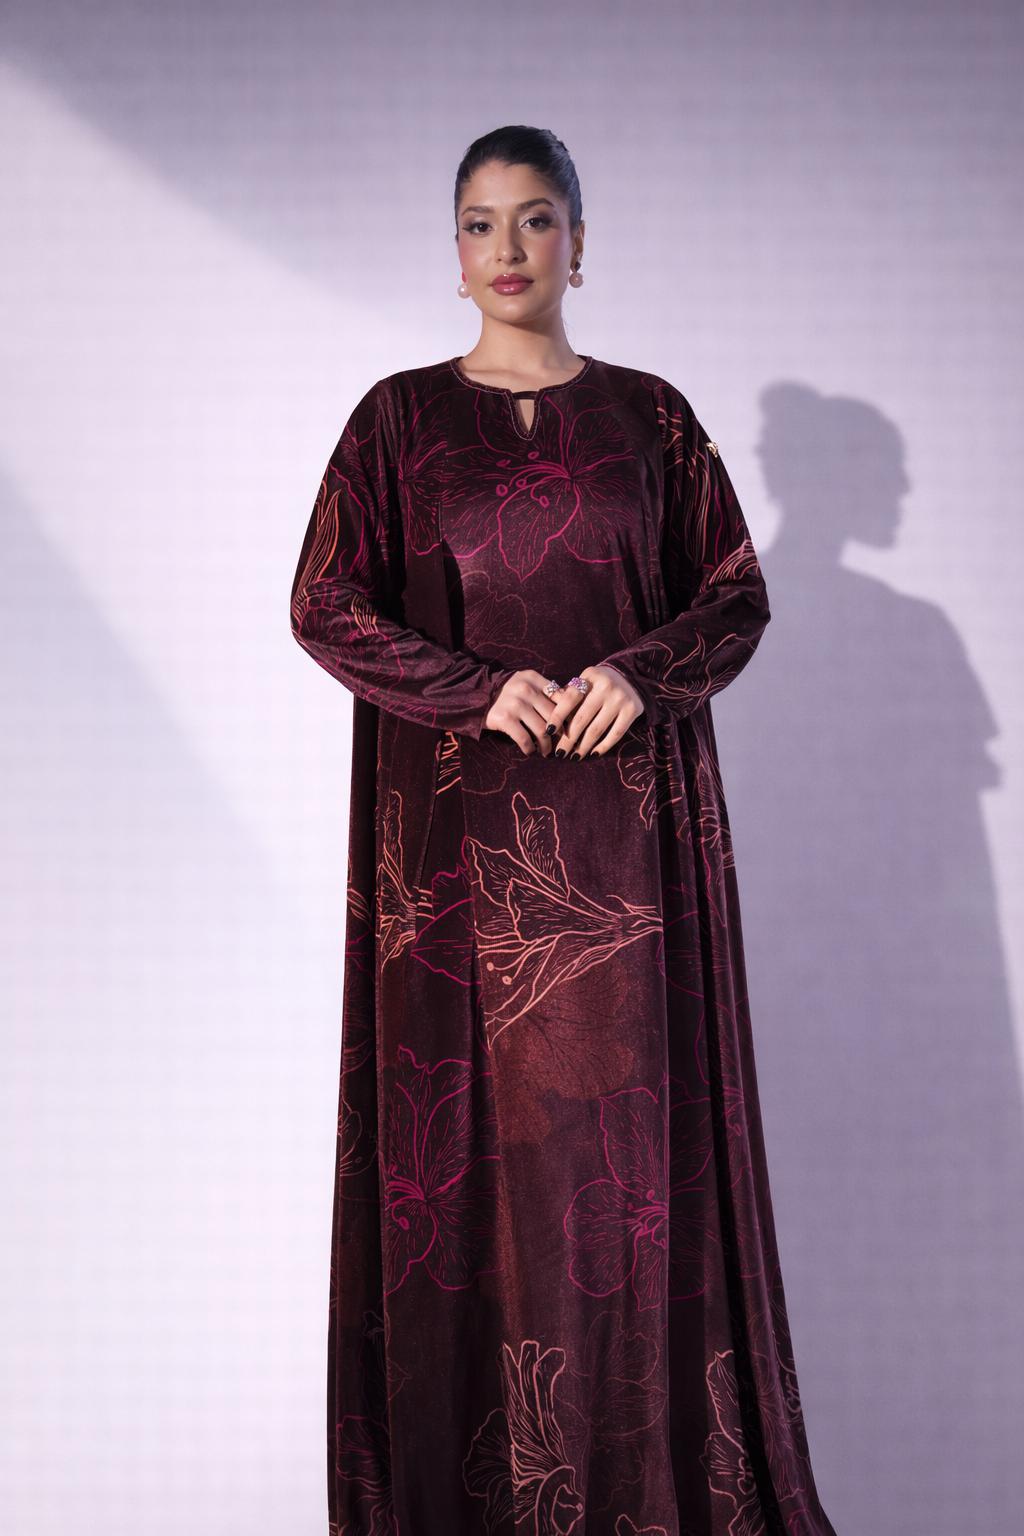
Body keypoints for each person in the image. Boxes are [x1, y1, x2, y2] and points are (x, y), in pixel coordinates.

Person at [290, 123, 838, 1536]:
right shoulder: (397, 422)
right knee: (469, 1157)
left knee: (623, 1167)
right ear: (454, 249)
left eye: (536, 220)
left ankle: (639, 1498)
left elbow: (734, 594)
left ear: (580, 244)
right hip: (456, 866)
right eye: (482, 223)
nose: (510, 249)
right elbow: (324, 603)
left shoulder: (653, 419)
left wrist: (637, 675)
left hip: (626, 852)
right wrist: (476, 689)